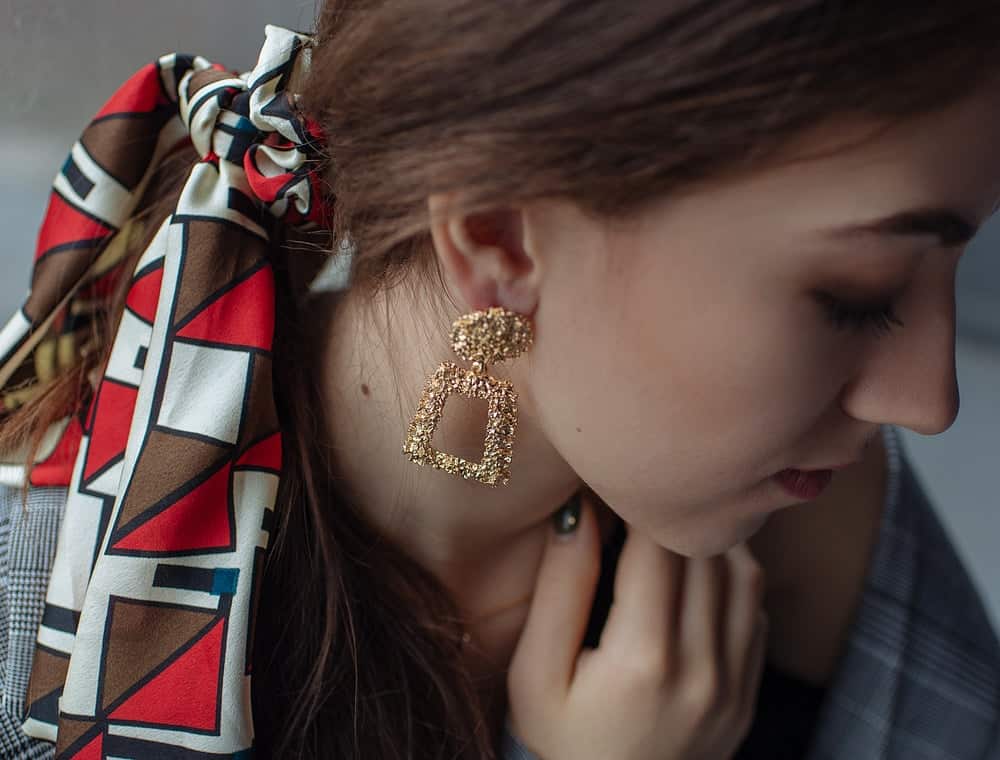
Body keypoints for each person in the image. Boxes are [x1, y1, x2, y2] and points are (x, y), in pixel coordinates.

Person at [0, 2, 999, 759]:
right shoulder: (39, 611)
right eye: (855, 295)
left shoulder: (815, 521)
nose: (928, 401)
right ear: (496, 235)